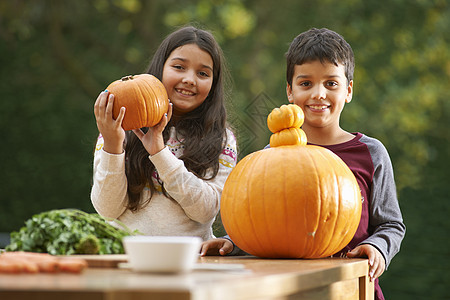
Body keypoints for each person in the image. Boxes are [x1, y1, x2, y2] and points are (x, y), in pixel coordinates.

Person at [200, 28, 405, 300]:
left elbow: (391, 224)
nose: (318, 94)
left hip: (351, 289)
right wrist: (232, 243)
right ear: (290, 91)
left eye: (331, 83)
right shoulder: (272, 155)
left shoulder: (371, 153)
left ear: (348, 90)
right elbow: (260, 220)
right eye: (306, 83)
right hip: (288, 291)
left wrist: (377, 247)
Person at [91, 26, 237, 241]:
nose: (190, 79)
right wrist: (113, 147)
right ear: (160, 69)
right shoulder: (118, 130)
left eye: (203, 73)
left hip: (192, 262)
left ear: (213, 84)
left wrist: (160, 153)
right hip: (127, 259)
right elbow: (107, 210)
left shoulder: (221, 139)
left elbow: (206, 211)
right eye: (179, 67)